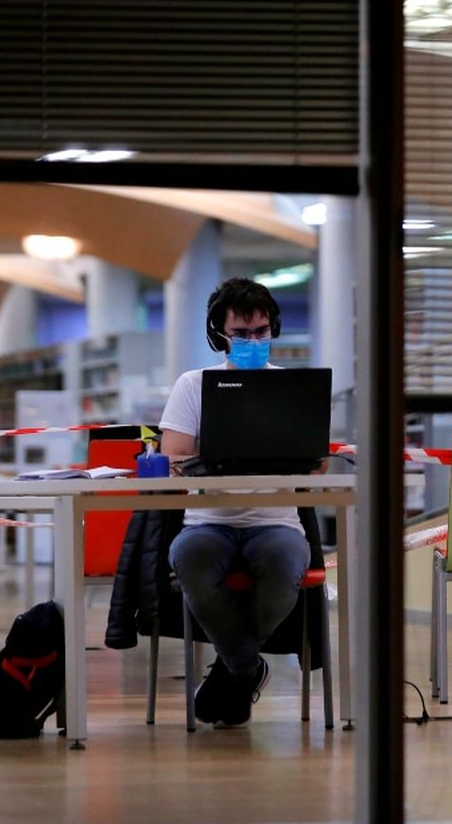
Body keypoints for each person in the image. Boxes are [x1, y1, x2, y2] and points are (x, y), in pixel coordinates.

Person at [158, 276, 312, 728]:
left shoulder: (292, 389)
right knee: (191, 558)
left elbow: (312, 460)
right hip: (207, 521)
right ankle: (248, 667)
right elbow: (173, 458)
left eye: (261, 332)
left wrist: (311, 460)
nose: (253, 341)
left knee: (284, 566)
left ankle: (230, 669)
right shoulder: (194, 385)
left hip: (278, 522)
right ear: (218, 334)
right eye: (241, 334)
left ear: (274, 330)